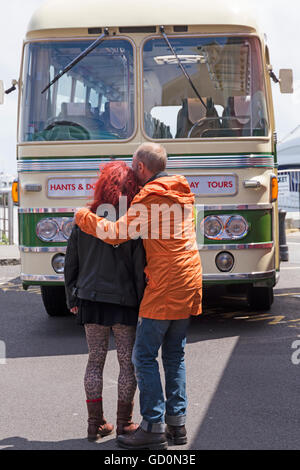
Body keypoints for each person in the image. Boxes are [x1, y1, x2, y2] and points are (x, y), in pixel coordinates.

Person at [75, 143, 203, 450]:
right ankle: (177, 425)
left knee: (143, 357)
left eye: (135, 168)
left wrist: (84, 217)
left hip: (165, 286)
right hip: (190, 280)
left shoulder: (149, 197)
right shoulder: (185, 192)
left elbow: (116, 233)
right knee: (174, 355)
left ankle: (151, 426)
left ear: (142, 169)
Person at [64, 161, 146, 442]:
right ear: (131, 188)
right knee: (127, 363)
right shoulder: (131, 221)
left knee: (94, 361)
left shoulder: (85, 218)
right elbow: (139, 268)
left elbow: (70, 264)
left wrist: (72, 296)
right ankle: (125, 423)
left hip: (90, 298)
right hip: (125, 301)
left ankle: (94, 424)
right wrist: (142, 301)